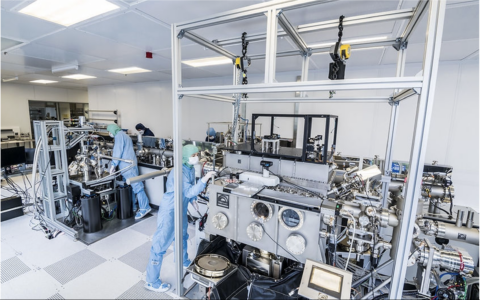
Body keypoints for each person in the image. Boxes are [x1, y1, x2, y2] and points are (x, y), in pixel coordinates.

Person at [144, 145, 216, 292]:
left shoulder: (188, 168)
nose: (196, 157)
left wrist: (193, 200)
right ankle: (151, 281)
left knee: (182, 236)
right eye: (193, 154)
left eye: (197, 154)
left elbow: (187, 191)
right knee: (160, 244)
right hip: (170, 210)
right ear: (186, 156)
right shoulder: (179, 171)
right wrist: (205, 179)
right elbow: (189, 190)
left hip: (180, 207)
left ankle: (182, 260)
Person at [107, 124, 152, 219]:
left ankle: (145, 207)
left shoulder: (119, 136)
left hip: (127, 166)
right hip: (131, 163)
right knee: (131, 186)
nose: (109, 133)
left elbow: (117, 151)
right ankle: (134, 206)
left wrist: (113, 165)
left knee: (137, 187)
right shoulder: (125, 135)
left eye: (109, 131)